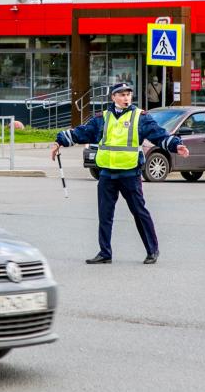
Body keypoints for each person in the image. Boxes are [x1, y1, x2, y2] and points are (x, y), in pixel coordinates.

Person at [50, 82, 190, 265]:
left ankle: (152, 250)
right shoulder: (103, 118)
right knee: (105, 215)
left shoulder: (140, 117)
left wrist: (175, 144)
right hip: (107, 173)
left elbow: (158, 134)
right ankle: (105, 253)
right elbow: (81, 133)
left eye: (128, 94)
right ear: (113, 97)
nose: (126, 98)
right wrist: (59, 141)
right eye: (122, 95)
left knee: (139, 212)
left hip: (130, 173)